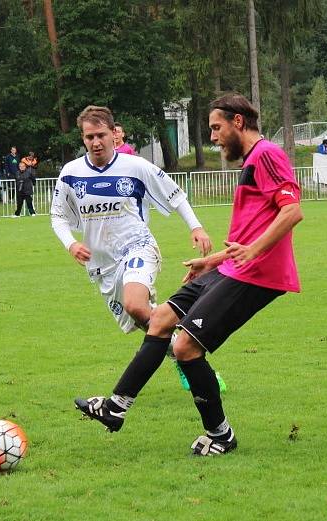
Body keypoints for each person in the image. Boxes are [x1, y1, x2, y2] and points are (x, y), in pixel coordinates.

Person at [73, 93, 303, 457]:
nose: (212, 136)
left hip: (256, 274)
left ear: (237, 122)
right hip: (233, 265)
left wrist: (251, 253)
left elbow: (291, 212)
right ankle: (116, 406)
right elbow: (250, 231)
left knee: (185, 346)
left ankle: (221, 435)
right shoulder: (252, 161)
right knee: (161, 318)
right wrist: (211, 261)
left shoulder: (268, 154)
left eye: (216, 127)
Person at [51, 105, 212, 389]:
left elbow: (175, 195)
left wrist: (196, 227)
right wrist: (71, 244)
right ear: (82, 138)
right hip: (102, 265)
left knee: (135, 304)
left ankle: (188, 354)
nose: (95, 142)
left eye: (100, 135)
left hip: (137, 247)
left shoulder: (135, 166)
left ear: (114, 134)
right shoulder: (71, 173)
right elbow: (57, 216)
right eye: (89, 137)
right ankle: (182, 353)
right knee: (142, 318)